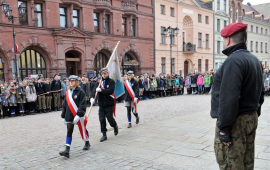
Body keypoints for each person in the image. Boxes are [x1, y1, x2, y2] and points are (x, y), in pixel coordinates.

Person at [211, 23, 264, 169]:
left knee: (231, 163)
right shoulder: (254, 60)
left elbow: (229, 97)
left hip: (235, 121)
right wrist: (255, 111)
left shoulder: (233, 61)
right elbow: (260, 92)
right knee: (247, 162)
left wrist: (224, 127)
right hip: (250, 117)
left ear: (228, 40)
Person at [60, 75, 90, 158]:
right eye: (70, 81)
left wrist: (79, 114)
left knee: (83, 128)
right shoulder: (67, 92)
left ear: (76, 82)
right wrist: (63, 116)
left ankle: (87, 142)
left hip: (78, 114)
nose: (71, 82)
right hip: (69, 115)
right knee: (69, 131)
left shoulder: (81, 92)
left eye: (73, 81)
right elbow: (65, 105)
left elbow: (82, 105)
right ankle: (67, 150)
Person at [90, 68, 118, 142]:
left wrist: (101, 90)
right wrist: (92, 97)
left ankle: (115, 126)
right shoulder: (99, 82)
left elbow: (110, 91)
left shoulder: (111, 81)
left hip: (109, 103)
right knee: (101, 119)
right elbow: (94, 91)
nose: (103, 75)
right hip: (101, 104)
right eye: (102, 74)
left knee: (110, 118)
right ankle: (104, 134)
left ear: (108, 73)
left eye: (105, 73)